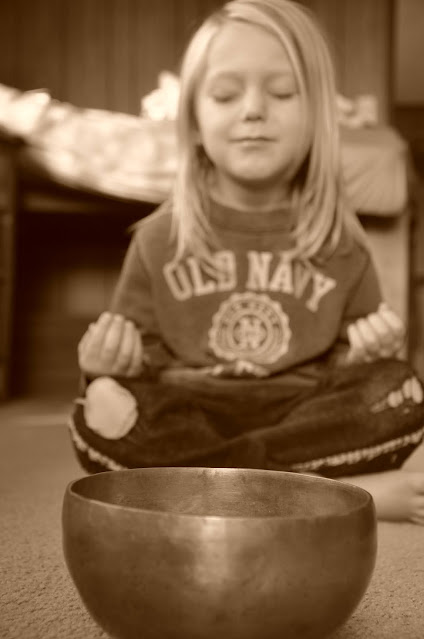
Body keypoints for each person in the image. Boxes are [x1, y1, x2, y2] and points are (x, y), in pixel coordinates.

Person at [70, 0, 424, 525]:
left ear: (317, 118)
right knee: (102, 406)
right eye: (225, 95)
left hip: (300, 415)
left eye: (281, 93)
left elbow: (351, 367)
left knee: (398, 388)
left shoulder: (342, 242)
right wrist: (106, 364)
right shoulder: (158, 239)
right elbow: (140, 364)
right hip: (192, 412)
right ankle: (331, 493)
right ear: (194, 121)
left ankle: (205, 493)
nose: (254, 110)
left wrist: (366, 355)